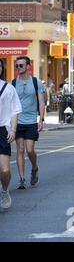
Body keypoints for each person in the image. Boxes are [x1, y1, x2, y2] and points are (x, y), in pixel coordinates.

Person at [11, 56, 45, 190]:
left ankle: (35, 167)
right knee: (20, 150)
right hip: (17, 121)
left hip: (31, 120)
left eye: (21, 65)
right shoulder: (13, 84)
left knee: (30, 150)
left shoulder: (36, 82)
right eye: (17, 66)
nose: (18, 68)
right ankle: (22, 179)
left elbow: (41, 103)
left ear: (28, 66)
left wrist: (41, 119)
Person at [0, 60, 22, 210]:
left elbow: (14, 111)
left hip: (2, 130)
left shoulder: (8, 88)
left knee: (5, 170)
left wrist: (13, 130)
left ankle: (5, 191)